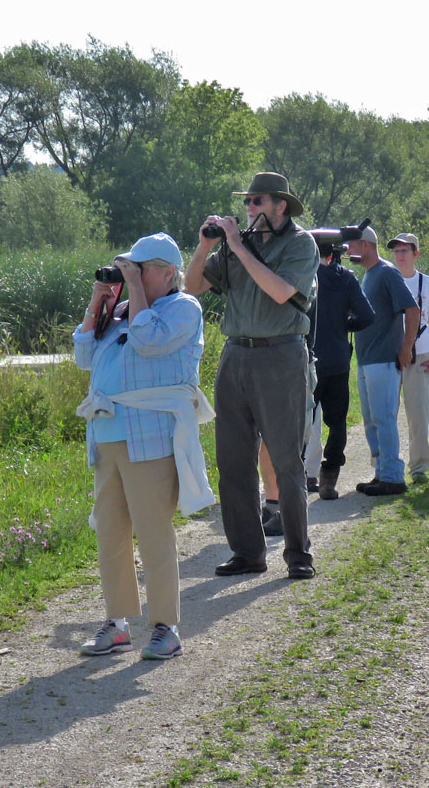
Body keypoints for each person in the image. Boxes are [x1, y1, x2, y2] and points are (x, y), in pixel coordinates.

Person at [73, 233, 212, 660]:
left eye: (141, 267)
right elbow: (83, 355)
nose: (132, 272)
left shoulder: (182, 308)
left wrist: (132, 291)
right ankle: (116, 624)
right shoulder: (120, 312)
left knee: (153, 534)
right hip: (108, 435)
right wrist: (99, 301)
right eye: (128, 266)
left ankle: (165, 627)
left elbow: (149, 341)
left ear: (169, 274)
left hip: (149, 434)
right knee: (111, 534)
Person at [185, 172, 319, 580]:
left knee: (285, 462)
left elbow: (281, 293)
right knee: (233, 461)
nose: (249, 208)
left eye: (258, 201)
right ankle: (247, 552)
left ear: (281, 206)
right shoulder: (233, 247)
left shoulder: (300, 244)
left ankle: (298, 554)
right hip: (236, 356)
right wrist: (206, 245)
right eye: (247, 202)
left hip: (281, 356)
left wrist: (238, 246)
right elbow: (191, 289)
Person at [348, 228, 419, 496]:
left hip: (384, 359)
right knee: (371, 419)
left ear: (365, 245)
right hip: (366, 359)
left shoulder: (387, 272)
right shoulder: (369, 275)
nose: (347, 249)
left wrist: (406, 348)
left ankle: (393, 476)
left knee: (383, 417)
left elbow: (412, 309)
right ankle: (382, 473)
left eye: (351, 244)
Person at [303, 239, 375, 500]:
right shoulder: (346, 278)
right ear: (334, 255)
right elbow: (367, 316)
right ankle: (329, 478)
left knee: (302, 421)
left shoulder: (303, 275)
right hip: (338, 359)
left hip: (307, 359)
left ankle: (296, 478)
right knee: (337, 422)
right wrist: (345, 325)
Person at [388, 232, 429, 483]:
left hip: (420, 352)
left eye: (405, 251)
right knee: (385, 412)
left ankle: (419, 467)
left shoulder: (427, 284)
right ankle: (386, 468)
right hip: (388, 352)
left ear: (415, 254)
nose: (400, 255)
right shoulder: (384, 278)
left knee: (419, 412)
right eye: (396, 251)